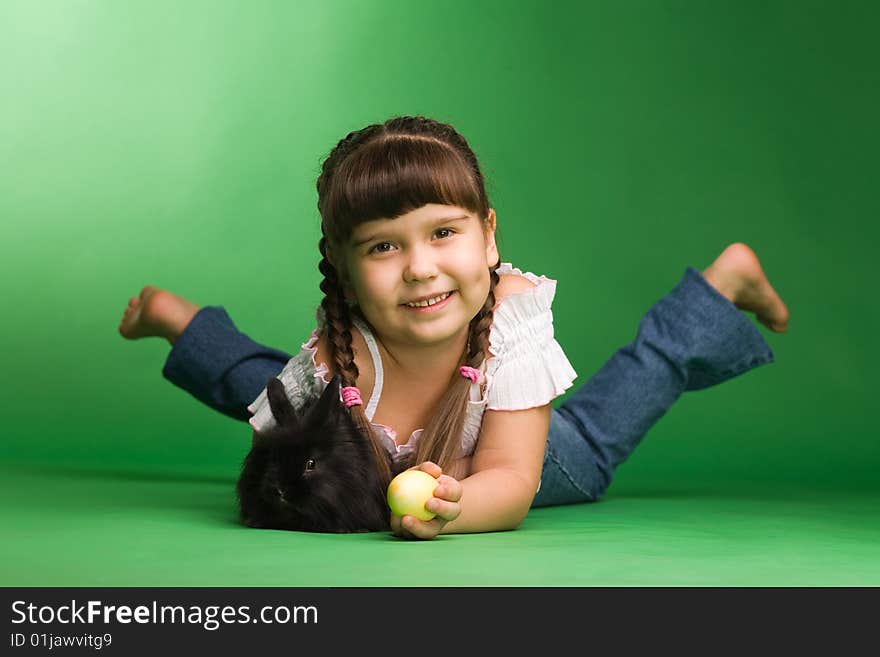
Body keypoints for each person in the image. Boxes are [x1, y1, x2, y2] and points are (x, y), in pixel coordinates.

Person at [118, 115, 790, 540]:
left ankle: (719, 286)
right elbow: (274, 431)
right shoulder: (337, 348)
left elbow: (508, 480)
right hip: (369, 420)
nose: (419, 268)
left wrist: (456, 505)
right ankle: (181, 320)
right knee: (260, 391)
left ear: (488, 237)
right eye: (383, 246)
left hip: (529, 451)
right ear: (345, 271)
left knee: (611, 421)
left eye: (443, 232)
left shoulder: (510, 321)